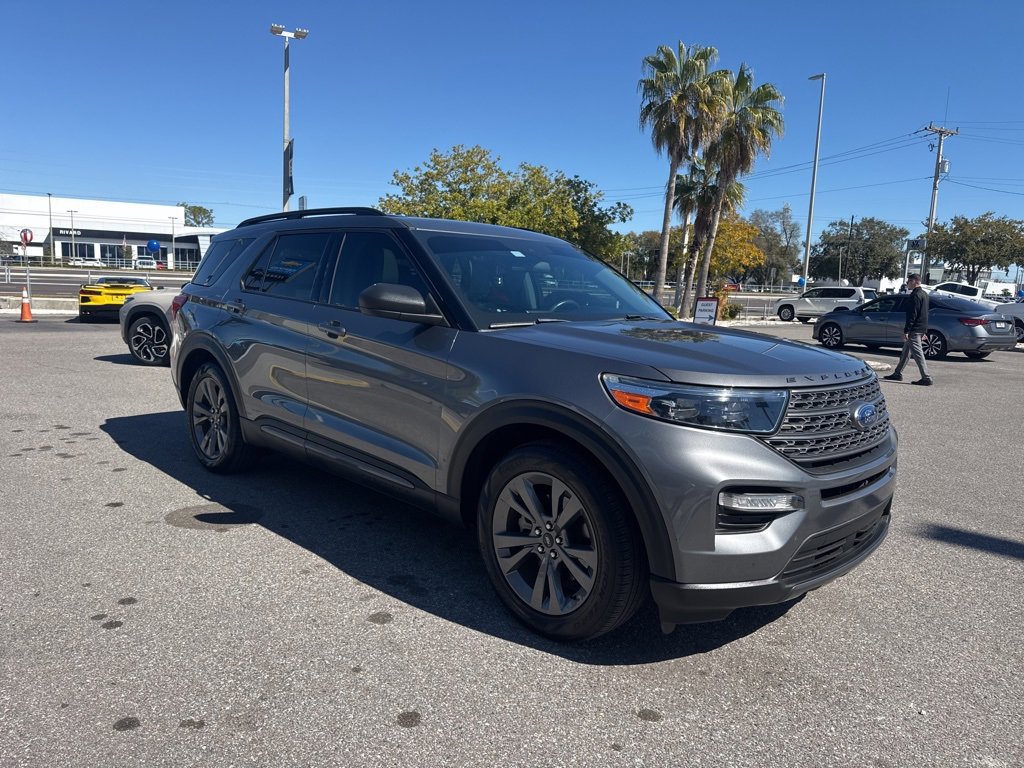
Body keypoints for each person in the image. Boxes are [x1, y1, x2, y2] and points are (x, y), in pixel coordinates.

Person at [884, 273, 932, 386]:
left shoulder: (915, 295)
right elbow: (924, 314)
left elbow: (912, 315)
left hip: (914, 330)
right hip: (920, 328)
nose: (907, 284)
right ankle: (897, 373)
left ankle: (926, 377)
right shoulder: (925, 294)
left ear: (915, 281)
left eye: (908, 282)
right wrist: (924, 331)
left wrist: (906, 331)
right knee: (905, 352)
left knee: (918, 354)